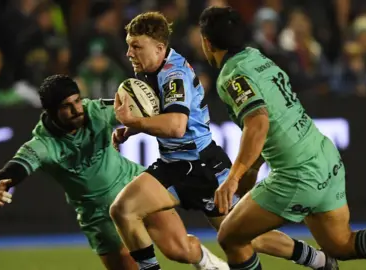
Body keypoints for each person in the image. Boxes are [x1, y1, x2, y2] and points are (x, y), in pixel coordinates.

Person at [198, 6, 366, 270]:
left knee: (230, 237)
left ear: (206, 42)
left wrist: (233, 177)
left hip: (297, 173)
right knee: (340, 244)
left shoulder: (231, 76)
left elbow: (258, 123)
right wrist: (251, 169)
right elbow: (273, 120)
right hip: (323, 156)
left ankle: (318, 261)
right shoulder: (257, 57)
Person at [109, 11, 330, 270]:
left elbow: (177, 126)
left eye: (136, 46)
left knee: (250, 237)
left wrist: (135, 123)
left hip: (204, 167)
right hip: (173, 165)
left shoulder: (173, 75)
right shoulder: (150, 69)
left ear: (159, 48)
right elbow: (162, 116)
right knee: (123, 210)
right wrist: (134, 130)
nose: (129, 53)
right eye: (128, 46)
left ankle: (319, 259)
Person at [0, 74, 189, 270]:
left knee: (180, 250)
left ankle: (209, 264)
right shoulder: (43, 144)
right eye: (66, 106)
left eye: (77, 101)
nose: (77, 109)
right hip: (98, 215)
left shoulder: (97, 111)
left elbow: (140, 107)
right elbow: (15, 167)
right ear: (50, 111)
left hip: (133, 184)